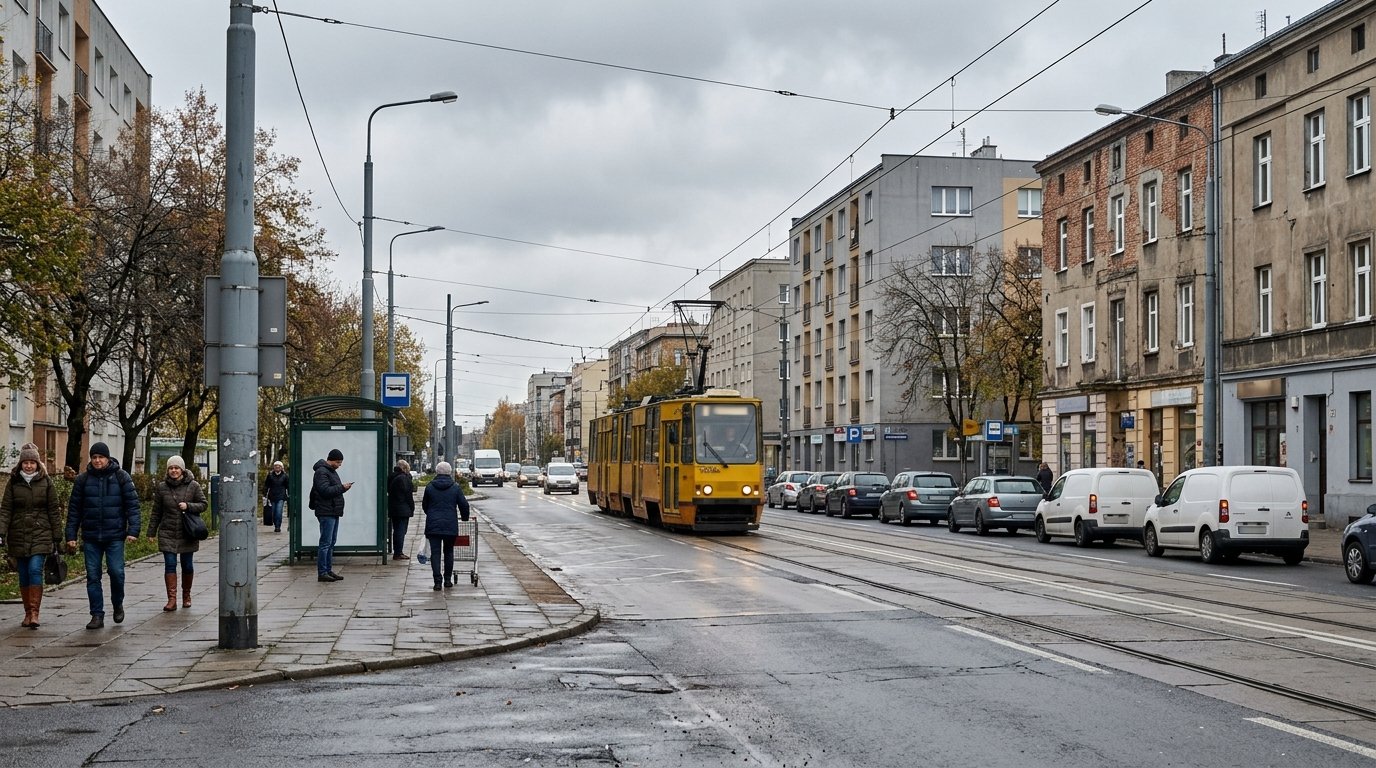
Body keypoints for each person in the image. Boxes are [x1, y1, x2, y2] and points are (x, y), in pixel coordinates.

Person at [65, 442, 140, 629]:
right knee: (92, 576)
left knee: (116, 572)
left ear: (107, 458)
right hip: (91, 536)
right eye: (94, 457)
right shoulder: (82, 480)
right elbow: (74, 510)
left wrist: (133, 530)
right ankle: (97, 615)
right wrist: (71, 535)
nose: (97, 461)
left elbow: (133, 506)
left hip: (114, 535)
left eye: (101, 457)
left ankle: (117, 603)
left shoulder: (121, 477)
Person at [1, 443, 62, 629]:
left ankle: (35, 612)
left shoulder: (46, 482)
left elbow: (54, 510)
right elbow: (6, 510)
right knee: (24, 573)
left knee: (35, 569)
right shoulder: (13, 482)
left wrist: (57, 536)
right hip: (18, 534)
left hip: (41, 533)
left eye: (32, 462)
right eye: (25, 462)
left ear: (37, 464)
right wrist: (1, 532)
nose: (29, 466)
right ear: (21, 464)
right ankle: (27, 612)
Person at [147, 455, 207, 611]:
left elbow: (203, 504)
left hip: (187, 532)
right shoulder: (162, 487)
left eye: (176, 468)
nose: (174, 471)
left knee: (187, 565)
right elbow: (156, 511)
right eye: (171, 468)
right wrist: (151, 532)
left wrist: (188, 506)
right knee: (170, 565)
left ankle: (186, 595)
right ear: (168, 470)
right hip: (168, 532)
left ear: (182, 470)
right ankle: (171, 600)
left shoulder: (193, 486)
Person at [422, 461, 470, 591]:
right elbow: (464, 505)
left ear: (437, 472)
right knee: (449, 552)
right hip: (450, 525)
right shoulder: (455, 487)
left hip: (433, 525)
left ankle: (437, 581)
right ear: (449, 472)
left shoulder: (430, 487)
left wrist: (431, 514)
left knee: (435, 553)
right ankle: (447, 580)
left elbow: (424, 505)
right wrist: (464, 518)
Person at [311, 448, 352, 582]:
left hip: (333, 510)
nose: (339, 465)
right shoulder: (321, 472)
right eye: (338, 462)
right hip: (326, 511)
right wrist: (342, 487)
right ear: (332, 460)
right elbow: (325, 490)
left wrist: (341, 488)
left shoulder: (330, 471)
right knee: (325, 543)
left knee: (331, 542)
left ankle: (328, 570)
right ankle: (322, 572)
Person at [388, 459, 416, 560]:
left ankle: (397, 551)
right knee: (401, 531)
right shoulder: (403, 479)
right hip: (402, 509)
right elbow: (408, 495)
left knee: (397, 530)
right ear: (404, 469)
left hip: (394, 507)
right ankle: (398, 553)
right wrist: (412, 508)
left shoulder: (393, 476)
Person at [262, 460, 289, 533]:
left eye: (279, 466)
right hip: (272, 496)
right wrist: (264, 494)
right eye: (276, 466)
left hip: (281, 497)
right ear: (274, 467)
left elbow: (288, 486)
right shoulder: (270, 475)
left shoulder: (285, 476)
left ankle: (278, 526)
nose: (277, 467)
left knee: (279, 512)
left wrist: (289, 495)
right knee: (273, 512)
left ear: (281, 467)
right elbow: (266, 485)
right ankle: (275, 523)